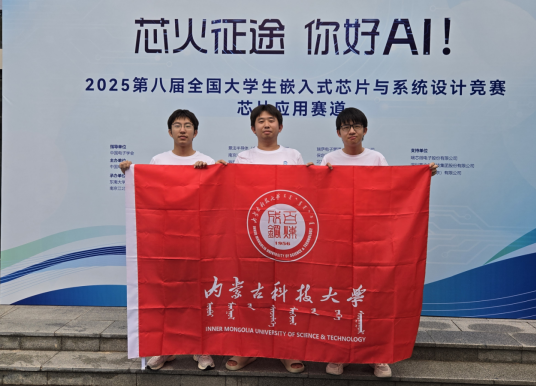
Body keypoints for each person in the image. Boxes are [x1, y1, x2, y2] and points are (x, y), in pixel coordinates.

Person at [321, 107, 438, 378]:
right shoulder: (329, 159)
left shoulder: (376, 158)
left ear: (365, 130)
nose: (352, 131)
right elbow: (320, 194)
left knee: (374, 297)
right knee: (339, 297)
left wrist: (421, 175)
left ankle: (378, 356)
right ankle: (339, 354)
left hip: (372, 239)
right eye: (346, 127)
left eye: (356, 126)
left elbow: (391, 190)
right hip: (339, 240)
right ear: (338, 132)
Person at [217, 104, 312, 374]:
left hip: (286, 236)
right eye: (261, 121)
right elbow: (234, 193)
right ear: (253, 128)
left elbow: (304, 192)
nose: (266, 125)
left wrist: (314, 174)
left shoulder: (293, 155)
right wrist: (221, 172)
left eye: (271, 120)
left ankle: (286, 350)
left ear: (280, 126)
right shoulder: (243, 157)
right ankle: (247, 349)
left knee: (285, 292)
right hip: (253, 235)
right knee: (252, 291)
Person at [120, 109, 216, 371]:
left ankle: (201, 349)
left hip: (198, 242)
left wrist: (213, 171)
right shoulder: (158, 160)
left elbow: (217, 197)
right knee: (166, 295)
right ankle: (164, 349)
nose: (182, 129)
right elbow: (148, 193)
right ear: (170, 131)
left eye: (188, 125)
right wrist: (130, 171)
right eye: (177, 125)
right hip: (165, 242)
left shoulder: (206, 161)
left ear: (196, 132)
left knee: (197, 295)